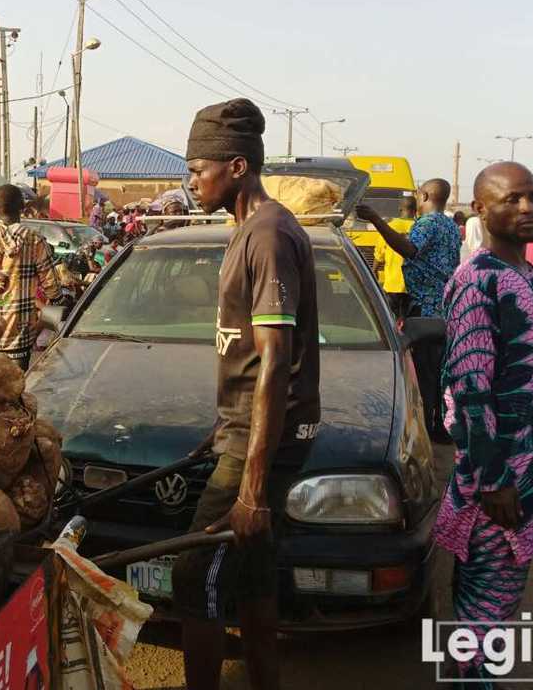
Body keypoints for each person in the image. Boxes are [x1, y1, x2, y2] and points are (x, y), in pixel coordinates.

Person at [173, 99, 319, 690]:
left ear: (235, 167)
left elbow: (277, 361)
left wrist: (254, 484)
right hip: (245, 429)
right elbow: (246, 352)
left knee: (194, 573)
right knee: (255, 574)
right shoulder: (248, 230)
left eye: (196, 170)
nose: (190, 183)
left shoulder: (269, 234)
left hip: (268, 440)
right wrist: (226, 421)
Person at [433, 162, 533, 687]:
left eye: (532, 196)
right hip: (498, 477)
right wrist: (492, 478)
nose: (528, 207)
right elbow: (470, 389)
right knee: (489, 597)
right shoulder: (477, 282)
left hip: (530, 467)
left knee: (496, 594)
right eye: (512, 199)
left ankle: (468, 671)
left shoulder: (528, 275)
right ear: (481, 211)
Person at [0, 184, 59, 370]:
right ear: (22, 207)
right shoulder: (35, 240)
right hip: (21, 337)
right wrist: (43, 324)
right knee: (14, 390)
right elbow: (54, 291)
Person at [357, 179, 461, 318]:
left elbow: (410, 249)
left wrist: (376, 219)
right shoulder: (451, 225)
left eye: (417, 195)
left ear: (424, 196)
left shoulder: (428, 223)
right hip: (444, 303)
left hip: (426, 307)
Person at [373, 196, 416, 320]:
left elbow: (379, 254)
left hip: (392, 285)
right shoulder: (419, 228)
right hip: (413, 288)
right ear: (415, 210)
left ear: (400, 209)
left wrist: (374, 269)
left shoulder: (389, 226)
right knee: (411, 323)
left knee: (391, 322)